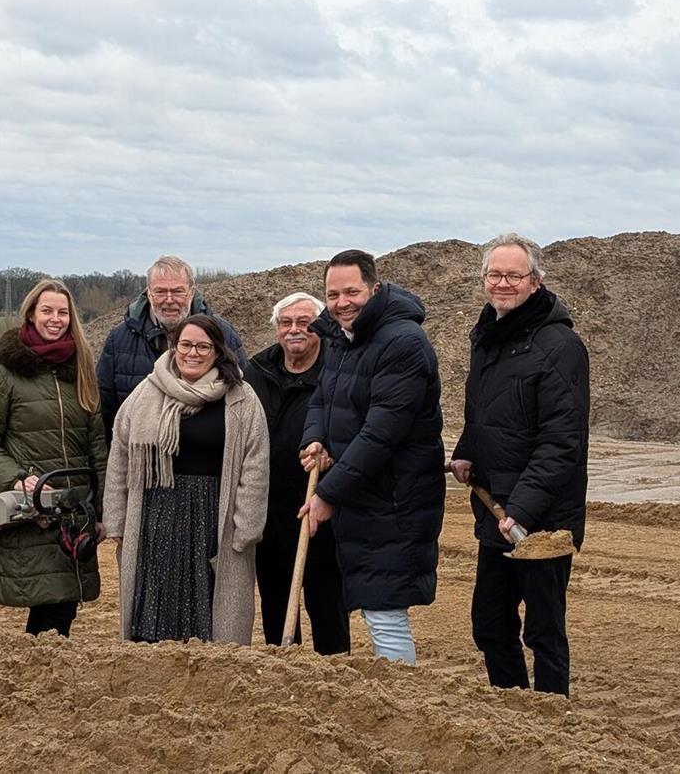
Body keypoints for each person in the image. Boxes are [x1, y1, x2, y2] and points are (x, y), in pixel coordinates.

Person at [449, 233, 590, 697]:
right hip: (496, 509)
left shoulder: (559, 345)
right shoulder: (488, 335)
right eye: (494, 274)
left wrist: (524, 510)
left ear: (536, 282)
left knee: (544, 631)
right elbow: (482, 409)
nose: (502, 283)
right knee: (490, 625)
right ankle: (513, 710)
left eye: (513, 275)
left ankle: (552, 720)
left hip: (542, 520)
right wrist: (467, 448)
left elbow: (561, 442)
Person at [299, 250, 445, 665]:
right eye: (333, 294)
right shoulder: (343, 340)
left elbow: (380, 435)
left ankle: (402, 701)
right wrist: (314, 440)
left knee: (384, 610)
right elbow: (322, 400)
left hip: (394, 500)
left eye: (352, 292)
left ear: (374, 289)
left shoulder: (403, 343)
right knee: (374, 605)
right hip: (363, 497)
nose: (342, 302)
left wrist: (328, 495)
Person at [102, 314, 269, 644]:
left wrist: (245, 527)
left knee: (213, 607)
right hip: (155, 517)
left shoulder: (240, 397)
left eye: (203, 346)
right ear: (174, 347)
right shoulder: (145, 393)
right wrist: (117, 521)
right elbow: (120, 457)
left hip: (214, 517)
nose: (193, 353)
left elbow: (256, 465)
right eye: (186, 345)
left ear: (217, 351)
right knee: (155, 598)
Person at [0, 278, 107, 637]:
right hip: (31, 509)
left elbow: (97, 448)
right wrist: (16, 478)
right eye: (47, 310)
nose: (55, 318)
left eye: (63, 312)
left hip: (74, 510)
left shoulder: (81, 369)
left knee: (61, 605)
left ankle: (41, 675)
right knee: (50, 604)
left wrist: (104, 507)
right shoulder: (4, 374)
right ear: (31, 313)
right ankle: (37, 677)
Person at [245, 292, 350, 654]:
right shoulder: (255, 371)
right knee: (276, 611)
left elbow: (354, 428)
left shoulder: (337, 373)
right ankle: (286, 683)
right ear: (276, 329)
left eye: (304, 322)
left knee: (327, 610)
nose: (294, 330)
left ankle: (334, 678)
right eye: (285, 323)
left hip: (318, 511)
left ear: (320, 328)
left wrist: (333, 454)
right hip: (269, 514)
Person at [97, 255, 247, 445]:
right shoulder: (119, 340)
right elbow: (105, 409)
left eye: (177, 292)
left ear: (191, 292)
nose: (169, 300)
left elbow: (242, 396)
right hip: (143, 459)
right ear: (149, 294)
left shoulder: (223, 335)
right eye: (160, 292)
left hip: (208, 458)